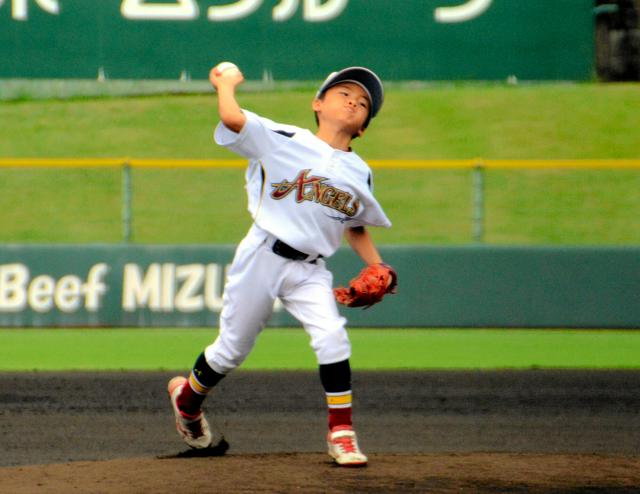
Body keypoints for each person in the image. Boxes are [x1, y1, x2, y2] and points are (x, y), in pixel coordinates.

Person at [168, 63, 395, 467]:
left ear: (363, 128)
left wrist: (381, 267)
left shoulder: (361, 171)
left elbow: (355, 226)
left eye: (363, 104)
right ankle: (187, 402)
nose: (354, 102)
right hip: (263, 256)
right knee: (230, 351)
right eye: (345, 93)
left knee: (333, 337)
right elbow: (232, 118)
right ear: (318, 104)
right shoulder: (285, 139)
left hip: (310, 269)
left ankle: (341, 433)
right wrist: (225, 84)